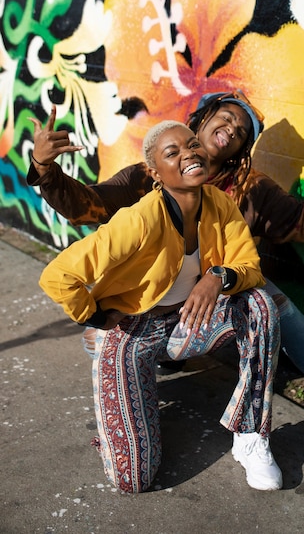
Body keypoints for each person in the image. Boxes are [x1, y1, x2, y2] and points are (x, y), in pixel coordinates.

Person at [28, 90, 304, 488]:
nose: (232, 129)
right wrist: (45, 168)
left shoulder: (245, 188)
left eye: (242, 132)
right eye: (225, 118)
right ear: (202, 120)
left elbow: (297, 226)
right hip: (143, 307)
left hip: (220, 291)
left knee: (272, 306)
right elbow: (88, 207)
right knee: (131, 469)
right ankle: (133, 385)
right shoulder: (146, 179)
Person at [39, 121, 282, 493]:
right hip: (134, 330)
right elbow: (58, 276)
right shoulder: (138, 219)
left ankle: (250, 434)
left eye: (192, 144)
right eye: (173, 152)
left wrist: (218, 276)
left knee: (259, 306)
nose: (189, 153)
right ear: (155, 173)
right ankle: (118, 384)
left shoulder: (220, 204)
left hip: (187, 323)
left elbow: (249, 267)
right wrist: (98, 317)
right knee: (133, 479)